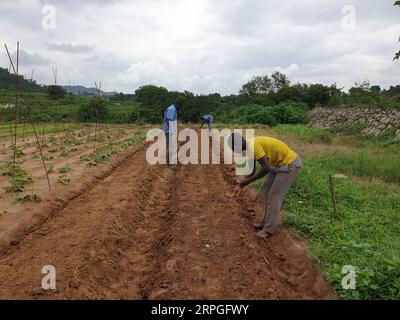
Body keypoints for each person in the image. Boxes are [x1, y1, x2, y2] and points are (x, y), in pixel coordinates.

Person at [228, 133, 302, 238]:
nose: (234, 151)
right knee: (264, 190)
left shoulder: (253, 146)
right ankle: (264, 223)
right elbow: (251, 171)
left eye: (233, 148)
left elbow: (265, 168)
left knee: (274, 195)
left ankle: (269, 230)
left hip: (290, 165)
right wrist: (241, 183)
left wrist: (245, 182)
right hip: (277, 165)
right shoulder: (249, 148)